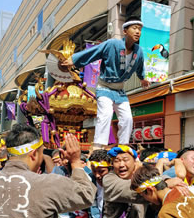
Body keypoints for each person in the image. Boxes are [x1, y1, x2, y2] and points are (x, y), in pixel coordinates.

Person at [62, 16, 150, 148]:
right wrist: (74, 60)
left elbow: (140, 67)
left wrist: (142, 78)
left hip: (120, 91)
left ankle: (123, 145)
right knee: (106, 114)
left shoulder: (139, 51)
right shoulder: (112, 44)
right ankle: (99, 146)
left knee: (127, 118)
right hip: (104, 88)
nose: (138, 31)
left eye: (140, 29)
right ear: (125, 31)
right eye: (134, 28)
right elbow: (94, 51)